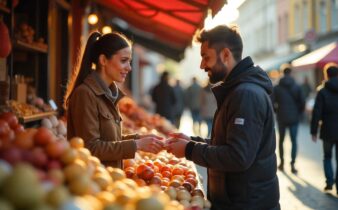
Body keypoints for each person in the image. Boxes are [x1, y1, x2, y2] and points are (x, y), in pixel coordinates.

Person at [166, 25, 280, 210]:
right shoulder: (237, 90)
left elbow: (238, 156)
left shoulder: (246, 94)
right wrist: (192, 141)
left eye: (206, 57)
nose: (202, 65)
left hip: (247, 204)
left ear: (226, 55)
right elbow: (229, 143)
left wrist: (189, 149)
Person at [64, 32, 164, 168]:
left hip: (109, 180)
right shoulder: (85, 94)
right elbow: (90, 148)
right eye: (124, 61)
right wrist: (136, 145)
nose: (129, 68)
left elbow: (110, 141)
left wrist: (138, 139)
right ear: (103, 60)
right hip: (92, 182)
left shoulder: (110, 94)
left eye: (129, 61)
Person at [310, 63, 338, 194]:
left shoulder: (322, 91)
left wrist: (313, 131)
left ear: (327, 75)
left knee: (327, 156)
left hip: (327, 130)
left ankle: (329, 182)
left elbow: (317, 112)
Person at [272, 64, 305, 173]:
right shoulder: (297, 86)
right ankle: (292, 164)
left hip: (282, 117)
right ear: (290, 73)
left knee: (281, 141)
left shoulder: (276, 87)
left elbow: (272, 102)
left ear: (282, 73)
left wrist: (277, 111)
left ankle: (281, 163)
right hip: (294, 117)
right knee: (293, 141)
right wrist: (298, 112)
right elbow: (302, 102)